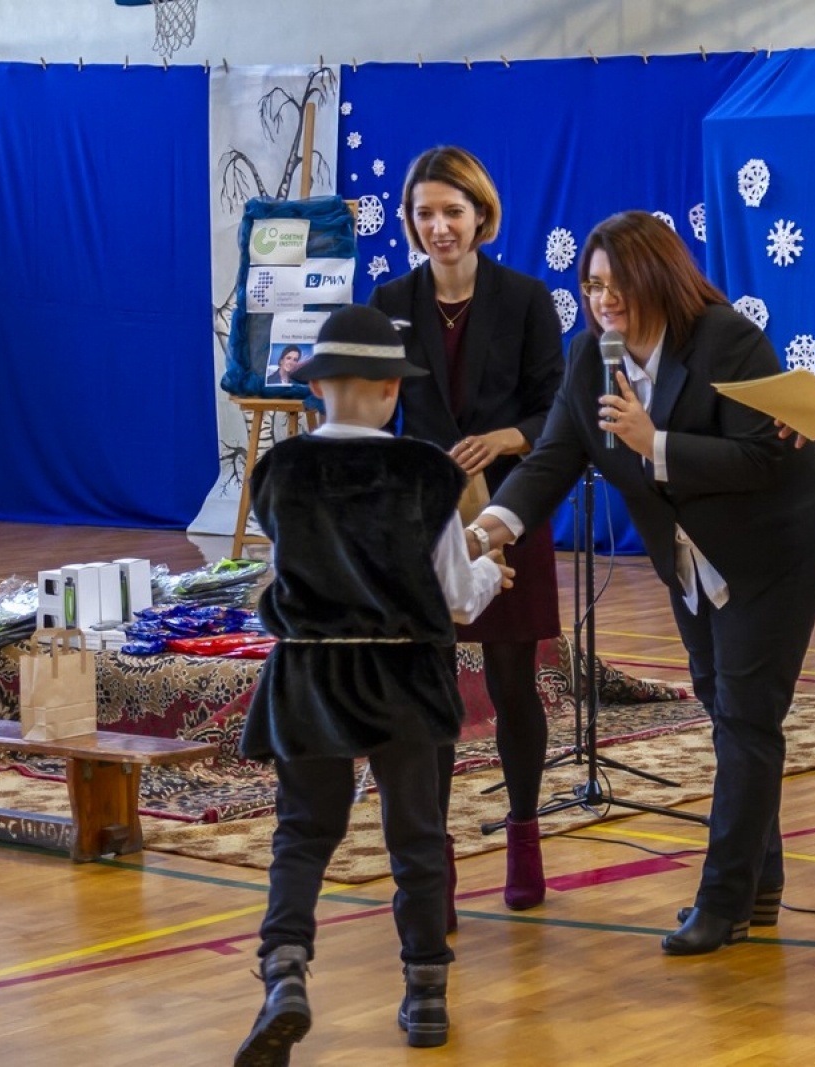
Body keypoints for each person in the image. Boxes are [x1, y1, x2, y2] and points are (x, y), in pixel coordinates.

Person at [466, 210, 815, 956]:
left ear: (658, 277)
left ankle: (724, 901)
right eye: (591, 284)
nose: (603, 299)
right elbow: (552, 459)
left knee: (747, 715)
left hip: (776, 545)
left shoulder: (725, 339)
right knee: (723, 705)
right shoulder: (590, 358)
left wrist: (655, 442)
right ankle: (760, 882)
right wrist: (483, 532)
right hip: (690, 553)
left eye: (618, 284)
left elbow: (761, 456)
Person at [234, 304, 510, 1065]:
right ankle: (427, 993)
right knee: (416, 835)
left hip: (308, 673)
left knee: (303, 832)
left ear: (319, 388)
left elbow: (288, 569)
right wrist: (491, 569)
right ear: (393, 390)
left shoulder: (279, 472)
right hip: (403, 674)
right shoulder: (427, 473)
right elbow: (456, 598)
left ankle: (284, 972)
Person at [370, 146, 564, 920]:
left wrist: (507, 438)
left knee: (514, 683)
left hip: (509, 505)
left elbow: (558, 412)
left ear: (482, 215)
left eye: (453, 211)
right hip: (424, 514)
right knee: (431, 686)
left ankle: (524, 834)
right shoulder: (390, 300)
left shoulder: (526, 299)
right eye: (424, 213)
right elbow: (374, 408)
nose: (439, 226)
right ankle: (433, 860)